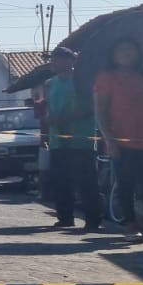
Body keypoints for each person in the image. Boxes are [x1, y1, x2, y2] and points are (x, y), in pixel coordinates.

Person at [94, 36, 143, 241]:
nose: (126, 53)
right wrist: (109, 140)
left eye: (131, 49)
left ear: (138, 53)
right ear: (113, 55)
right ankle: (130, 225)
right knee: (126, 184)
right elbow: (100, 111)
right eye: (121, 50)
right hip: (121, 140)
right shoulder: (106, 77)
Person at [43, 47, 101, 230]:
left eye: (58, 59)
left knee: (86, 182)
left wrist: (63, 118)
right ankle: (65, 217)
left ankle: (92, 220)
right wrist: (49, 120)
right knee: (61, 181)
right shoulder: (50, 83)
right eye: (53, 59)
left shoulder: (83, 81)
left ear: (71, 61)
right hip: (57, 140)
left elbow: (91, 108)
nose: (53, 62)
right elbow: (49, 108)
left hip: (81, 139)